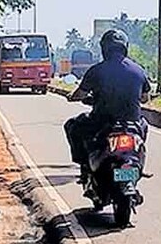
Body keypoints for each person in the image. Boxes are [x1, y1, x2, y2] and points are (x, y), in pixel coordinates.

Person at [65, 29, 151, 184]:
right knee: (144, 126)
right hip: (132, 123)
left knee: (73, 126)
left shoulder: (96, 70)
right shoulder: (138, 70)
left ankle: (85, 167)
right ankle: (138, 165)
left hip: (102, 122)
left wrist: (72, 97)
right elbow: (145, 98)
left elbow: (80, 94)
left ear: (104, 49)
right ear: (125, 47)